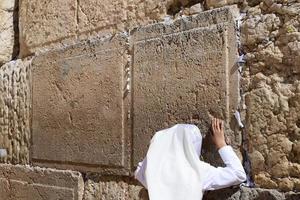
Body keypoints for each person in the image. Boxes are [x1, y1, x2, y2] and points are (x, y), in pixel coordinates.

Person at [134, 118, 247, 200]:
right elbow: (238, 174)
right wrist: (221, 144)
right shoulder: (198, 172)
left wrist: (159, 148)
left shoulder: (152, 170)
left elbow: (138, 170)